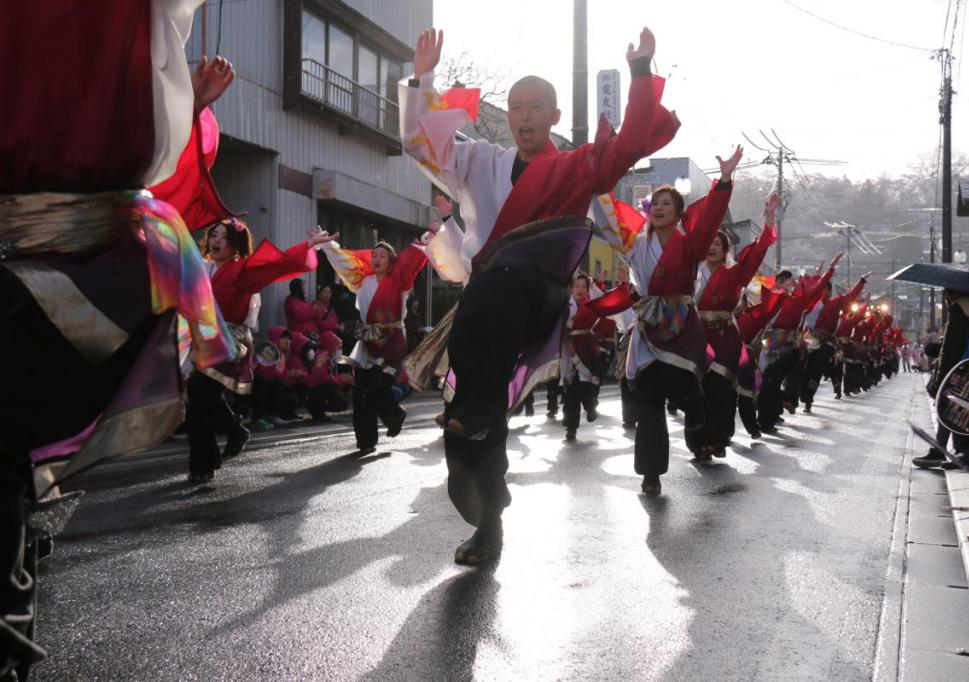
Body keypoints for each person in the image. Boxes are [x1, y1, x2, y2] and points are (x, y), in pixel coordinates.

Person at [0, 5, 244, 676]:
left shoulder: (233, 260)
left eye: (225, 239)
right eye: (220, 237)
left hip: (96, 265)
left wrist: (181, 102)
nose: (221, 239)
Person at [401, 26, 679, 564]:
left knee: (505, 286)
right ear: (508, 117)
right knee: (465, 432)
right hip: (482, 306)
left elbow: (630, 142)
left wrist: (640, 71)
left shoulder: (574, 165)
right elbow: (423, 145)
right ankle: (488, 521)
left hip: (536, 297)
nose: (524, 114)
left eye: (536, 106)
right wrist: (423, 77)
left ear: (554, 116)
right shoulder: (480, 160)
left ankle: (482, 411)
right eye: (516, 106)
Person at [184, 218, 335, 482]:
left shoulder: (244, 269)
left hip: (229, 341)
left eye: (224, 237)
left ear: (236, 245)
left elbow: (278, 265)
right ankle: (202, 465)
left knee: (199, 388)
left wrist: (309, 245)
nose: (216, 241)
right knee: (198, 403)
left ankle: (233, 428)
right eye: (213, 236)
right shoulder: (203, 269)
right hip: (203, 339)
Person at [624, 152, 740, 494]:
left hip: (680, 328)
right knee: (649, 404)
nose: (659, 208)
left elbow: (711, 216)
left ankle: (696, 405)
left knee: (681, 384)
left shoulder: (691, 244)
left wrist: (724, 181)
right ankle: (651, 474)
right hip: (648, 328)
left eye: (667, 203)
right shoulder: (637, 245)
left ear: (678, 213)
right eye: (655, 203)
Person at [687, 194, 778, 459]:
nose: (712, 247)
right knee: (695, 392)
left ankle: (718, 439)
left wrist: (769, 217)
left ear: (726, 249)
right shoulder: (690, 272)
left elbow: (759, 249)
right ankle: (697, 442)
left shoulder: (734, 273)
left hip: (724, 339)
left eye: (718, 243)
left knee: (720, 390)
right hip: (695, 338)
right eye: (709, 242)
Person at [322, 239, 428, 453]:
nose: (377, 259)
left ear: (391, 261)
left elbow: (414, 259)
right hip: (368, 339)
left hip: (392, 338)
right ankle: (366, 440)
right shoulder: (364, 280)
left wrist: (428, 238)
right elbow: (344, 262)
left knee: (379, 384)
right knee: (361, 391)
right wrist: (327, 245)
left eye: (382, 255)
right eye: (374, 256)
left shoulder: (400, 281)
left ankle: (394, 415)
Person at [913, 289, 969, 469]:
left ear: (951, 294)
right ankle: (961, 451)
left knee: (950, 409)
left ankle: (956, 451)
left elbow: (952, 346)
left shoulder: (958, 310)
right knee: (967, 411)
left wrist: (940, 378)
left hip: (958, 369)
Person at [757, 257, 840, 433]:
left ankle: (771, 416)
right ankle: (768, 417)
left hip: (789, 346)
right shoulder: (767, 295)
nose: (786, 284)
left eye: (789, 281)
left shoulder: (798, 301)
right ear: (777, 282)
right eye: (783, 281)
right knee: (767, 382)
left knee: (776, 380)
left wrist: (829, 271)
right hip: (768, 344)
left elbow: (816, 288)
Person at [560, 274, 632, 441]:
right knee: (570, 390)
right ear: (571, 289)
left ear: (587, 289)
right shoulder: (564, 307)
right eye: (576, 286)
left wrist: (622, 290)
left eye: (583, 287)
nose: (580, 290)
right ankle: (571, 427)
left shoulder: (592, 306)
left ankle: (591, 405)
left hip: (586, 349)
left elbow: (609, 302)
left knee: (588, 385)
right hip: (568, 350)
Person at [799, 274, 868, 412]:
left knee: (817, 371)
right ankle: (797, 395)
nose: (822, 292)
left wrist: (861, 282)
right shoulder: (810, 303)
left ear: (829, 291)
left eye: (825, 289)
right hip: (809, 339)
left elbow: (849, 296)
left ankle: (809, 399)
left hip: (827, 342)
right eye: (820, 289)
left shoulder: (834, 303)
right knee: (802, 367)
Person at [736, 286, 787, 438]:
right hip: (722, 363)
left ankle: (753, 428)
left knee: (745, 396)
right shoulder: (722, 318)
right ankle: (722, 437)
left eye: (740, 301)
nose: (737, 305)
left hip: (745, 363)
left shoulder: (752, 318)